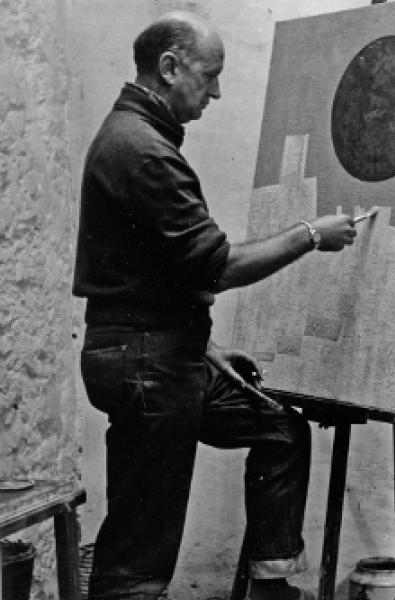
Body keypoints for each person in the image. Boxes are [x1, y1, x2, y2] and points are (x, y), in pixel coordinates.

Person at [73, 12, 358, 600]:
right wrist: (310, 234)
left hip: (163, 352)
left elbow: (146, 272)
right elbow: (216, 265)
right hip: (147, 366)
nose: (218, 91)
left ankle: (271, 586)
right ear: (169, 67)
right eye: (210, 75)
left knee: (279, 428)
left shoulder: (142, 141)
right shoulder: (142, 151)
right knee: (139, 551)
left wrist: (203, 344)